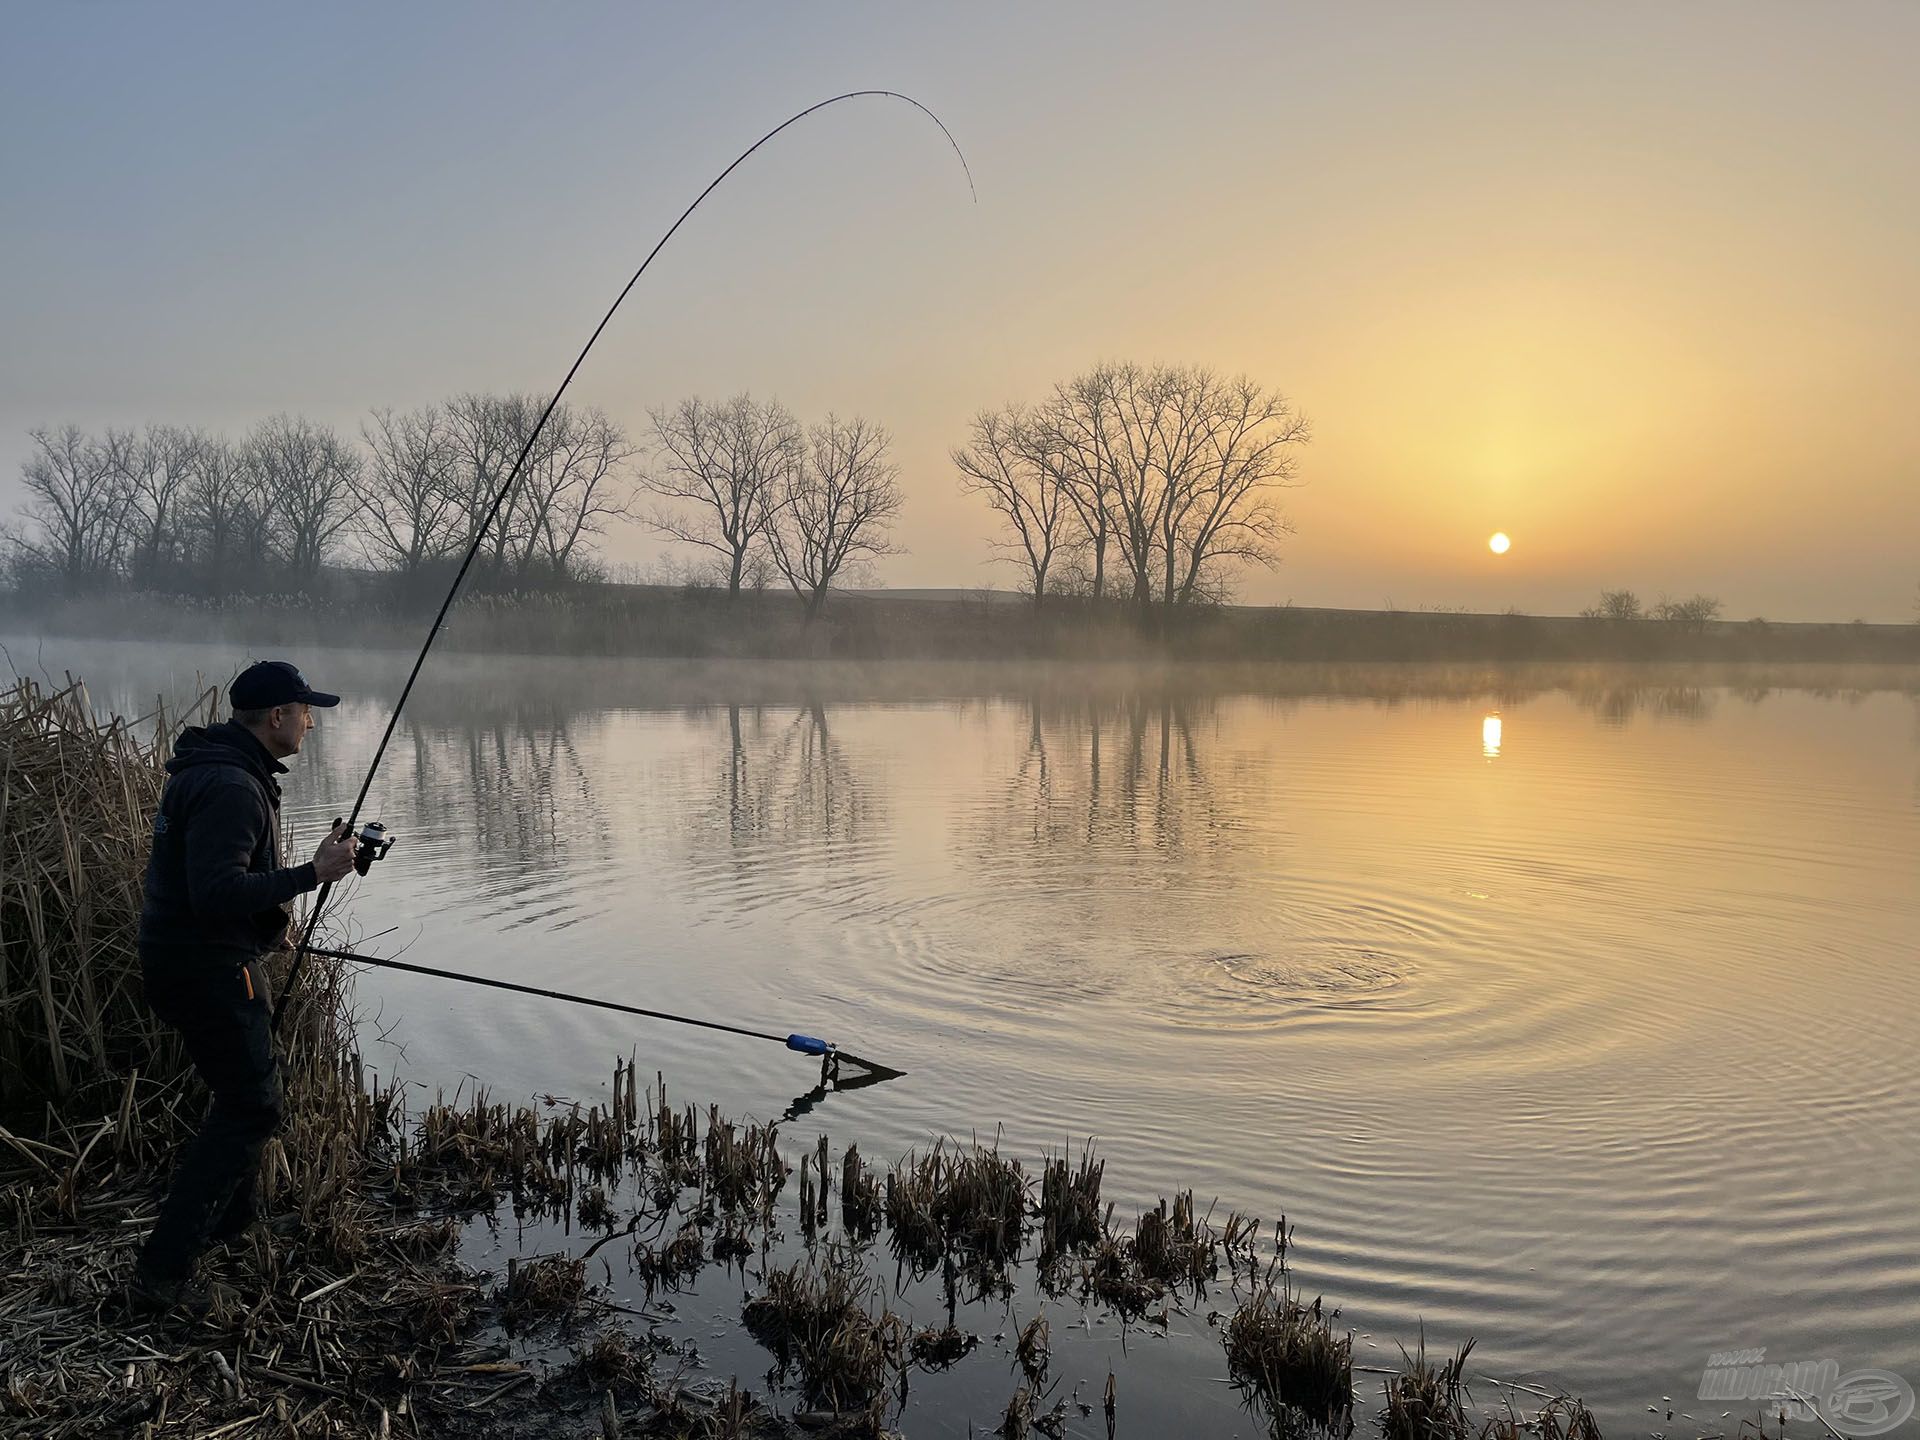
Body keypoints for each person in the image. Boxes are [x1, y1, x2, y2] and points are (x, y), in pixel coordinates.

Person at [128, 659, 358, 1315]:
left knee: (245, 1095)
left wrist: (266, 924)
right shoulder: (233, 784)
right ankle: (163, 1272)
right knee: (252, 1107)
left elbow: (213, 886)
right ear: (279, 717)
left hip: (194, 957)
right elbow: (214, 891)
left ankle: (231, 1225)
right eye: (306, 711)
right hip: (206, 968)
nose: (311, 722)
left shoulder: (217, 770)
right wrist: (313, 873)